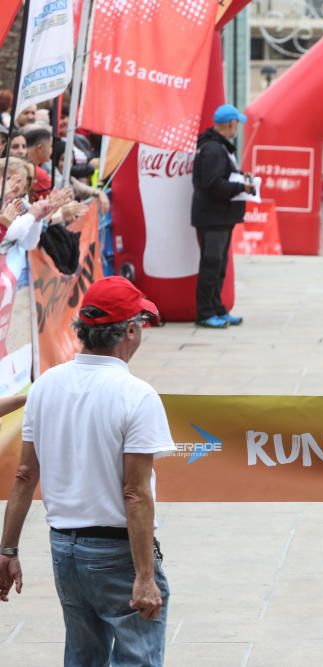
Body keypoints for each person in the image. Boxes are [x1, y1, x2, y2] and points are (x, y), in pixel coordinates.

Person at [0, 276, 176, 666]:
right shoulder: (137, 395)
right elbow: (135, 493)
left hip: (65, 550)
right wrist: (145, 576)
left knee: (82, 657)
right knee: (137, 657)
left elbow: (25, 476)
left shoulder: (46, 385)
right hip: (116, 552)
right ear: (130, 330)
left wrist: (7, 549)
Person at [190, 104, 253, 329]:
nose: (237, 128)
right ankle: (205, 312)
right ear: (230, 124)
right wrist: (241, 188)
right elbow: (212, 184)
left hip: (219, 216)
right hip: (213, 216)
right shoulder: (214, 149)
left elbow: (219, 178)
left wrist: (238, 178)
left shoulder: (218, 148)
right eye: (237, 124)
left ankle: (217, 308)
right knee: (212, 264)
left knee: (218, 265)